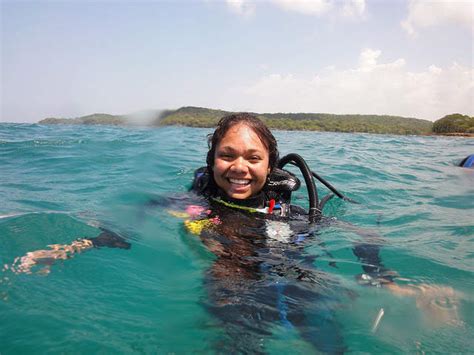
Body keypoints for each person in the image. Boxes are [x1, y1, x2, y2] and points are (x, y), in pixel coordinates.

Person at [177, 113, 461, 353]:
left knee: (323, 326)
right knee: (233, 304)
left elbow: (359, 233)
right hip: (234, 285)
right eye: (227, 155)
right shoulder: (195, 204)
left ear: (269, 165)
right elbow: (150, 207)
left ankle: (388, 301)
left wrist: (381, 277)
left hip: (297, 278)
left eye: (253, 158)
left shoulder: (292, 215)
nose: (239, 167)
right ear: (212, 159)